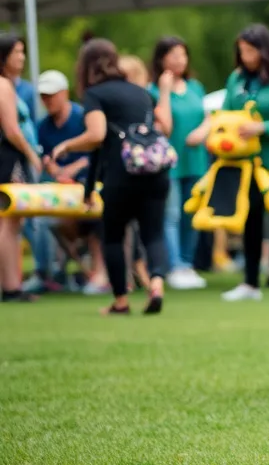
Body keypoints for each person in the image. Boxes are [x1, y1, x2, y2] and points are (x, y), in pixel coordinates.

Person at [51, 38, 170, 315]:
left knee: (114, 237)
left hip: (122, 175)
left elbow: (96, 138)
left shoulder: (95, 94)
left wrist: (67, 145)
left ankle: (121, 301)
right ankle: (156, 283)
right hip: (154, 170)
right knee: (153, 234)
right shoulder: (140, 92)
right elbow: (161, 127)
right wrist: (89, 188)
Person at [193, 24, 269, 303]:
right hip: (247, 162)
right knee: (251, 218)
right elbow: (227, 113)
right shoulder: (237, 79)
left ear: (264, 50)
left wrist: (261, 128)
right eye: (242, 51)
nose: (246, 56)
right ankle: (250, 283)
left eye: (251, 50)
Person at [28, 70, 105, 294]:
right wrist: (52, 168)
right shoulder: (43, 126)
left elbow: (96, 151)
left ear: (64, 93)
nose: (47, 100)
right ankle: (49, 273)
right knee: (43, 222)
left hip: (89, 186)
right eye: (43, 95)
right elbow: (45, 159)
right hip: (61, 192)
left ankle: (98, 274)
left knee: (96, 221)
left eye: (51, 95)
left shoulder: (83, 117)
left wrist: (75, 167)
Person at [148, 36, 209, 291]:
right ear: (162, 59)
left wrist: (202, 132)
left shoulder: (195, 87)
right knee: (170, 214)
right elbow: (163, 125)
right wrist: (164, 91)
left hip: (195, 159)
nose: (179, 60)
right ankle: (174, 265)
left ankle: (187, 263)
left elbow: (208, 117)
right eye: (173, 55)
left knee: (191, 214)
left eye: (183, 55)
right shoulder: (152, 90)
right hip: (168, 162)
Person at [0, 35, 42, 302]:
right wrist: (31, 154)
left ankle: (10, 283)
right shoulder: (3, 85)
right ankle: (12, 286)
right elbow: (12, 130)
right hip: (8, 158)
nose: (22, 57)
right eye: (17, 52)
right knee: (10, 223)